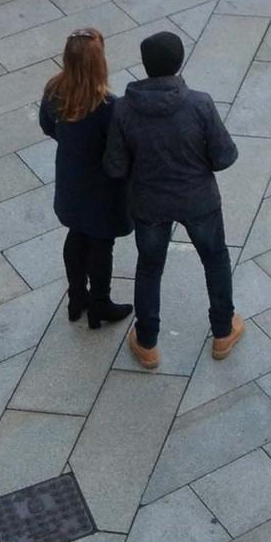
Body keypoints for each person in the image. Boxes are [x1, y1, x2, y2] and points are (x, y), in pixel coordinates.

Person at [103, 29, 242, 369]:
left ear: (146, 65)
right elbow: (224, 157)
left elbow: (115, 166)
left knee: (150, 267)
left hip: (149, 203)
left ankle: (147, 341)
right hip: (199, 200)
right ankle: (223, 331)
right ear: (179, 63)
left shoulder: (123, 110)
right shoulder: (200, 103)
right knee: (215, 258)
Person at [40, 28, 131, 329]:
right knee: (101, 245)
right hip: (103, 189)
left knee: (76, 234)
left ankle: (76, 297)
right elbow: (118, 152)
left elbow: (47, 126)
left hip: (71, 180)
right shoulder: (108, 106)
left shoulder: (55, 90)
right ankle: (100, 304)